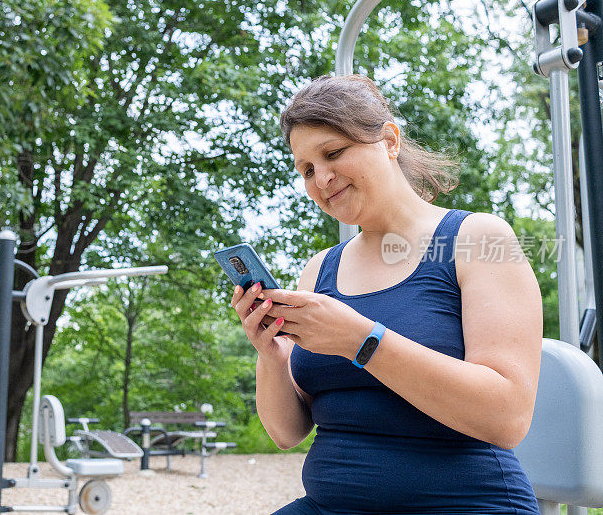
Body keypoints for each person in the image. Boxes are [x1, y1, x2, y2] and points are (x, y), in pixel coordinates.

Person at [230, 75, 542, 514]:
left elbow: (507, 418)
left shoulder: (479, 239)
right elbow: (287, 433)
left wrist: (361, 340)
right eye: (306, 169)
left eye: (333, 153)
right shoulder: (320, 269)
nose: (321, 178)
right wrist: (272, 354)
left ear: (389, 140)